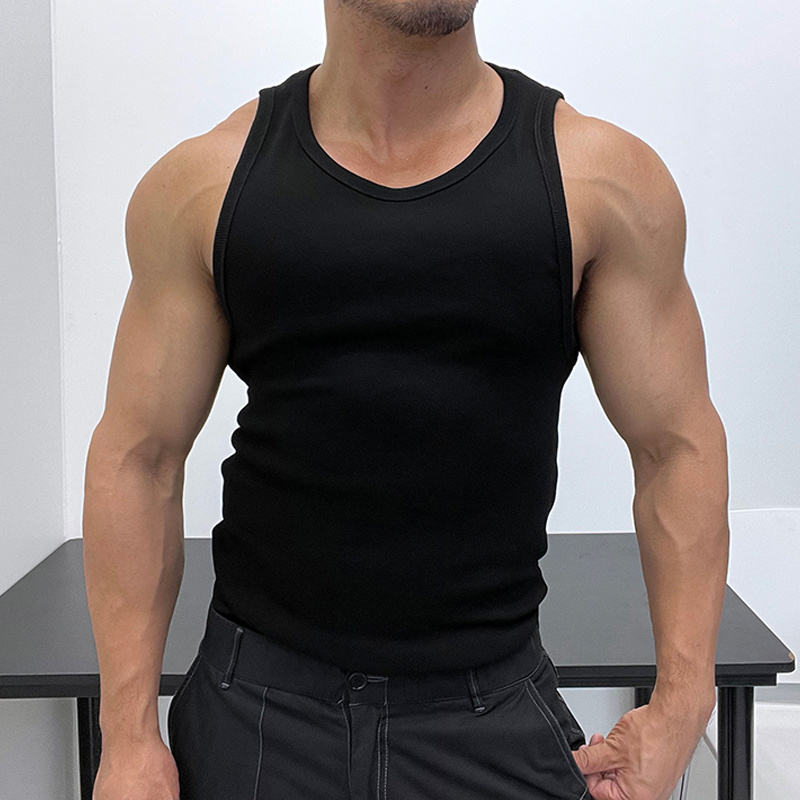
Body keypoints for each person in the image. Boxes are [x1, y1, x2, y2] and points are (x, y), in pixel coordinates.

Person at [83, 1, 729, 799]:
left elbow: (676, 447)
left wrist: (684, 704)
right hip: (256, 716)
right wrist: (127, 738)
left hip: (489, 717)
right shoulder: (204, 186)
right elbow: (140, 458)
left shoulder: (600, 182)